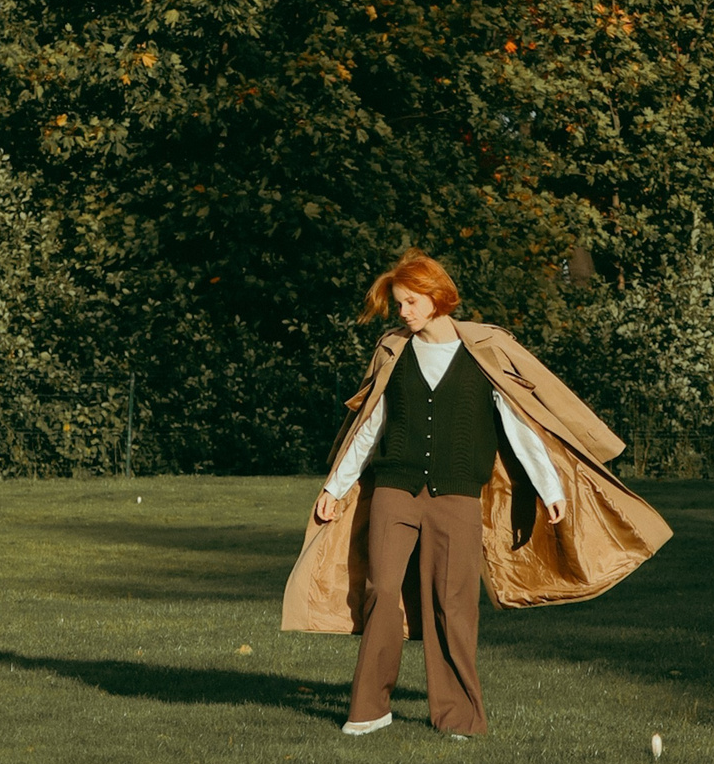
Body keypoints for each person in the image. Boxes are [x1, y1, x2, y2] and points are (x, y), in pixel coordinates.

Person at [281, 250, 673, 738]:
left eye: (410, 302)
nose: (403, 311)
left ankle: (459, 717)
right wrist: (335, 487)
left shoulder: (483, 351)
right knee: (381, 592)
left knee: (453, 602)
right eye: (399, 303)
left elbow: (521, 425)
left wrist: (550, 487)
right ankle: (368, 709)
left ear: (436, 297)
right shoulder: (393, 351)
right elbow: (370, 425)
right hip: (394, 491)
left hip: (458, 497)